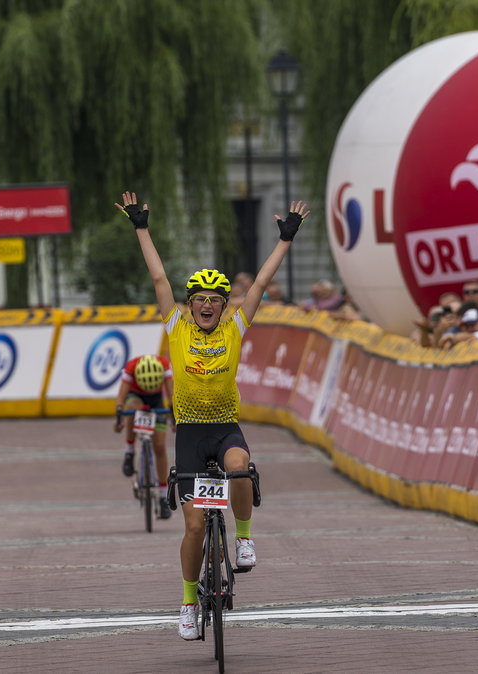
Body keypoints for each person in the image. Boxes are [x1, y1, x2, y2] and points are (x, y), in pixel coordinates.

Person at [119, 189, 307, 641]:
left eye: (215, 299)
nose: (206, 304)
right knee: (196, 525)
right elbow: (160, 278)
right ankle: (187, 601)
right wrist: (142, 229)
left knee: (241, 468)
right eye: (199, 298)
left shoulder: (235, 328)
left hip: (225, 428)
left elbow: (259, 284)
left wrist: (285, 240)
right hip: (189, 434)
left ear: (225, 306)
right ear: (190, 303)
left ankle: (243, 539)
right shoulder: (177, 326)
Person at [114, 354, 175, 519]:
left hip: (156, 401)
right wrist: (119, 417)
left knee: (160, 447)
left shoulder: (164, 366)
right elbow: (121, 398)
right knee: (133, 407)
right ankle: (129, 451)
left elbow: (172, 397)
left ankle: (163, 497)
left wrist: (175, 418)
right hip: (135, 397)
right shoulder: (131, 368)